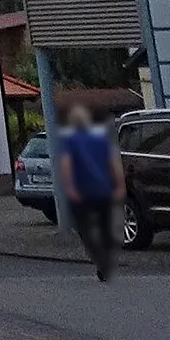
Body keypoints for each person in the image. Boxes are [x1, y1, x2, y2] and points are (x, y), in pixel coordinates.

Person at [58, 102, 125, 280]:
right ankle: (107, 255)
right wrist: (119, 186)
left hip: (81, 193)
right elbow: (114, 164)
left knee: (84, 228)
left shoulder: (70, 141)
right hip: (104, 191)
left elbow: (66, 166)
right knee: (106, 226)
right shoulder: (101, 140)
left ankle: (99, 258)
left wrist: (70, 188)